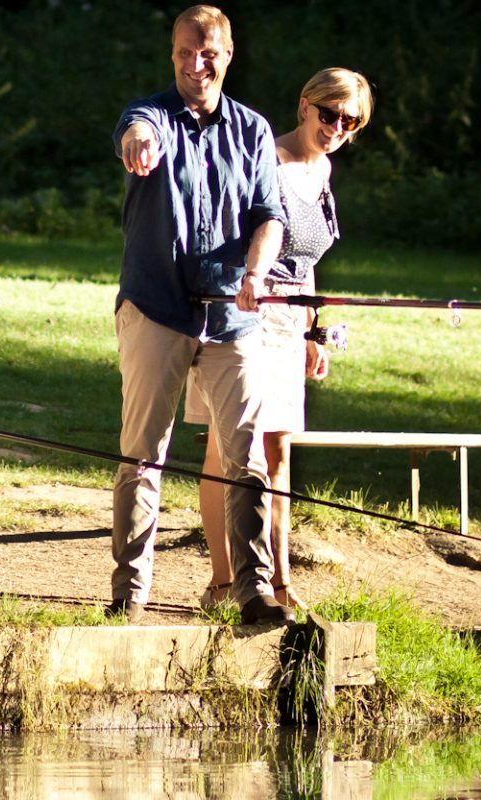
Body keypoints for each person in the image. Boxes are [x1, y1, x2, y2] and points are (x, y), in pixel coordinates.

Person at [110, 5, 293, 625]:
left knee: (245, 459)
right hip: (156, 309)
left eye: (209, 53)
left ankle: (253, 591)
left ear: (229, 54)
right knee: (143, 456)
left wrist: (256, 273)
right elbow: (136, 132)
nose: (197, 64)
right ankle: (129, 596)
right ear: (172, 54)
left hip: (232, 319)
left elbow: (270, 214)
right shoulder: (150, 116)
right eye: (187, 52)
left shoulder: (253, 131)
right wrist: (137, 144)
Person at [191, 68, 374, 612]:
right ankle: (224, 580)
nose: (336, 127)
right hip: (244, 314)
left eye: (350, 120)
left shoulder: (325, 171)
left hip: (291, 322)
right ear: (304, 105)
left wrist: (315, 329)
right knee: (226, 447)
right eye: (329, 114)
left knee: (278, 450)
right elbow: (230, 233)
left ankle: (280, 579)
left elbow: (307, 262)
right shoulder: (264, 157)